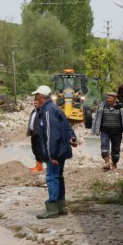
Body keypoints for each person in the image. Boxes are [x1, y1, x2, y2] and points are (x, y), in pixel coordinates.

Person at [32, 85, 78, 219]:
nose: (35, 98)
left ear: (41, 96)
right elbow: (66, 125)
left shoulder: (47, 111)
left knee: (52, 177)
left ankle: (52, 209)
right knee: (59, 177)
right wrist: (72, 137)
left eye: (36, 96)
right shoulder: (55, 108)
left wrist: (50, 155)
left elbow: (50, 134)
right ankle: (61, 207)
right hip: (61, 149)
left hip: (55, 152)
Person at [91, 91, 123, 170]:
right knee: (104, 146)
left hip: (117, 132)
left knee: (116, 149)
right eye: (107, 98)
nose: (108, 99)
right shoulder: (102, 106)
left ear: (114, 99)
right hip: (105, 131)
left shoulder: (121, 107)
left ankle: (114, 164)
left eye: (110, 98)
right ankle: (107, 162)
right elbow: (96, 118)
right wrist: (95, 130)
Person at [27, 97, 43, 173]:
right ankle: (37, 166)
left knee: (39, 150)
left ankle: (39, 167)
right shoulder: (34, 111)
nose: (35, 104)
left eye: (37, 103)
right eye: (34, 103)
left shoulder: (41, 112)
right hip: (33, 133)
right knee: (35, 150)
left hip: (39, 134)